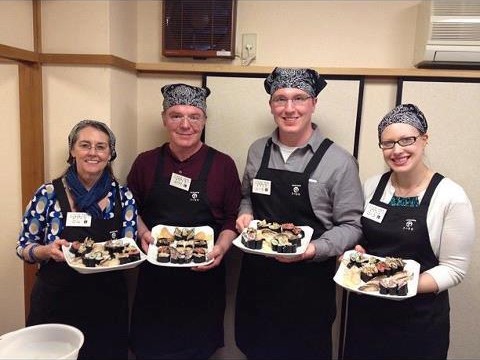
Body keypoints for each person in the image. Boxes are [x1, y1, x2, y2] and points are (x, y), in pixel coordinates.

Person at [235, 67, 364, 359]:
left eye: (299, 98)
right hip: (257, 281)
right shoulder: (257, 151)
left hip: (308, 287)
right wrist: (245, 214)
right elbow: (246, 197)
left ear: (313, 103)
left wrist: (312, 249)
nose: (289, 108)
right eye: (280, 99)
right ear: (271, 106)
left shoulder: (339, 161)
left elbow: (352, 225)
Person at [343, 104, 476, 359]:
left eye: (407, 140)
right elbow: (365, 239)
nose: (397, 150)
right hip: (367, 314)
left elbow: (454, 269)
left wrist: (397, 284)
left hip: (418, 322)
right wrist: (355, 254)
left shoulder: (450, 196)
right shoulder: (373, 185)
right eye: (388, 143)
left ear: (424, 140)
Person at [127, 83, 242, 359]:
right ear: (164, 118)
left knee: (198, 350)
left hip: (204, 279)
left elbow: (231, 218)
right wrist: (141, 232)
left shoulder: (223, 165)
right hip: (156, 279)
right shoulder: (145, 162)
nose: (185, 124)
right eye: (176, 115)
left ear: (204, 120)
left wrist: (222, 249)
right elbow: (129, 209)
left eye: (194, 116)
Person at [16, 120, 138, 360]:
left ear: (110, 154)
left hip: (107, 303)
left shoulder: (123, 197)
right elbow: (23, 246)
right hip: (56, 300)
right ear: (72, 150)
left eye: (101, 147)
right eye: (85, 145)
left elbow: (129, 247)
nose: (93, 152)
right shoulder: (48, 194)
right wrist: (47, 250)